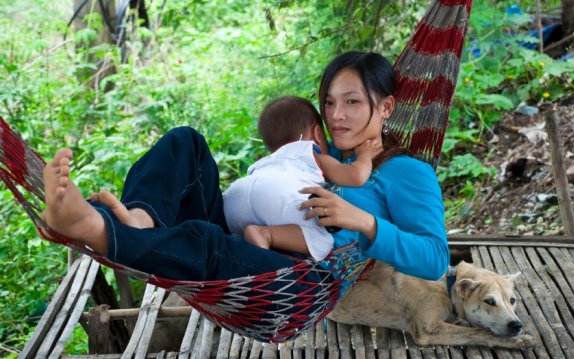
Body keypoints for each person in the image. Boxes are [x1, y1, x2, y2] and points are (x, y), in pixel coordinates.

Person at [41, 51, 449, 308]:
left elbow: (435, 259)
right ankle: (140, 219)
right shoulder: (327, 153)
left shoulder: (408, 172)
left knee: (207, 241)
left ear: (387, 107)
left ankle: (97, 229)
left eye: (352, 102)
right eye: (329, 103)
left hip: (304, 282)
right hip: (254, 246)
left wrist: (361, 220)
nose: (337, 115)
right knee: (185, 143)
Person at [224, 95, 382, 261]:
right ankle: (265, 234)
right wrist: (364, 155)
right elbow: (355, 176)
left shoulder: (270, 159)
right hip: (278, 193)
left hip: (235, 197)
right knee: (322, 240)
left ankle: (250, 241)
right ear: (317, 134)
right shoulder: (312, 153)